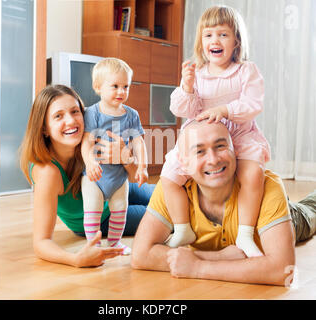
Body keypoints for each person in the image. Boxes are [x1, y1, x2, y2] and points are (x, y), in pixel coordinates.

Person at [131, 120, 316, 286]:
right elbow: (140, 255)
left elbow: (282, 270)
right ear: (183, 163)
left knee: (312, 208)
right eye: (200, 151)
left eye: (220, 146)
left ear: (235, 150)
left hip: (293, 217)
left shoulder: (268, 187)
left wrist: (197, 267)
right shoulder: (171, 189)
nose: (213, 160)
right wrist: (217, 257)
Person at [160, 5, 270, 258]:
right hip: (201, 137)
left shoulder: (246, 70)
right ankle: (182, 228)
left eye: (222, 34)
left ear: (236, 41)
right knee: (169, 176)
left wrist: (225, 110)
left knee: (253, 173)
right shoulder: (197, 74)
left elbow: (254, 104)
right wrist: (187, 87)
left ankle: (244, 233)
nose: (215, 40)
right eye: (208, 35)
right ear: (201, 41)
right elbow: (181, 109)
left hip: (238, 133)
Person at [19, 84, 154, 268]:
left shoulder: (91, 140)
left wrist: (126, 159)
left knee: (168, 193)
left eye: (75, 111)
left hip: (120, 188)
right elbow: (41, 242)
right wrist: (76, 260)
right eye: (58, 116)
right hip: (102, 218)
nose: (71, 121)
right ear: (44, 128)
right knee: (165, 216)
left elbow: (134, 179)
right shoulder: (47, 172)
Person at [81, 58, 148, 255]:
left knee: (120, 209)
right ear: (98, 87)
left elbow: (138, 142)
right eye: (115, 86)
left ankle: (114, 243)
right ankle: (92, 244)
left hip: (119, 177)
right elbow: (87, 142)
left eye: (126, 86)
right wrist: (90, 161)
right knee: (92, 210)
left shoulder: (131, 115)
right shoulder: (92, 113)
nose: (121, 92)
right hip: (95, 176)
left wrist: (143, 166)